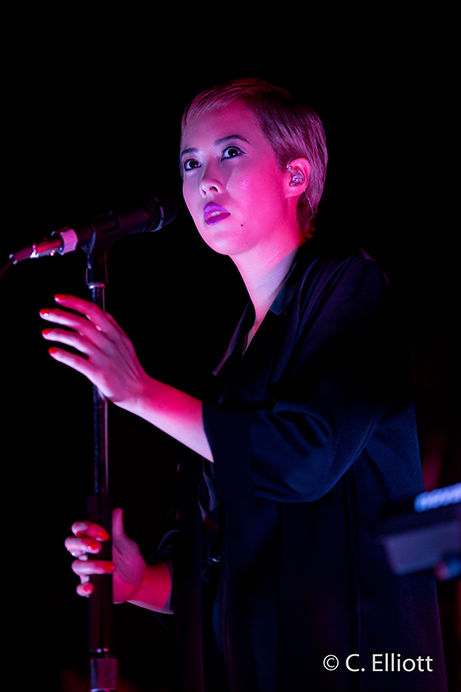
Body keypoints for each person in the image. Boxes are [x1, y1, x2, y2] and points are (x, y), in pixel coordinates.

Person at [40, 78, 447, 692]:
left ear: (295, 175)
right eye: (190, 163)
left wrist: (141, 392)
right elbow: (220, 564)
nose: (206, 180)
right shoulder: (231, 360)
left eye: (230, 152)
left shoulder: (351, 287)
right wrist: (139, 582)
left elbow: (304, 459)